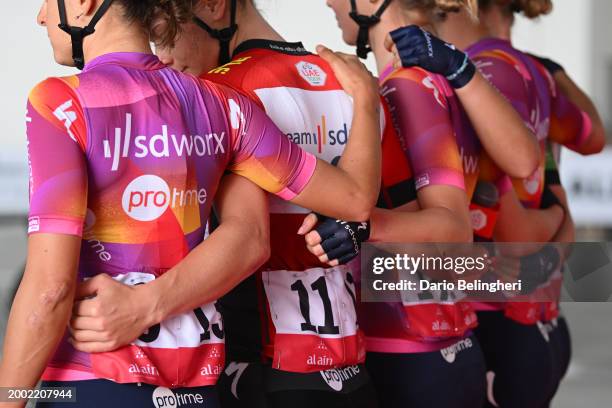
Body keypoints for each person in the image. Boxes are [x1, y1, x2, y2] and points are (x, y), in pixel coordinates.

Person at [0, 0, 383, 407]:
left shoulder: (60, 103)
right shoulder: (224, 103)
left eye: (45, 2)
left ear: (84, 5)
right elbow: (353, 201)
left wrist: (10, 398)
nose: (41, 16)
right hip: (199, 390)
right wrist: (365, 102)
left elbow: (50, 290)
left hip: (96, 380)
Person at [301, 0, 540, 407]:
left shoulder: (405, 85)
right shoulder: (445, 79)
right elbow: (526, 161)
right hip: (453, 339)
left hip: (408, 347)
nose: (328, 1)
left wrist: (362, 226)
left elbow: (452, 231)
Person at [389, 0, 605, 406]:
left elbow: (515, 236)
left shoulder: (482, 74)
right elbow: (591, 135)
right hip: (540, 320)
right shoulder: (533, 69)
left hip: (495, 324)